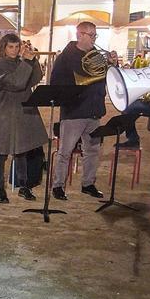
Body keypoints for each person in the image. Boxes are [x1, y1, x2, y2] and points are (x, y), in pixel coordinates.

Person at [49, 21, 106, 200]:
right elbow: (55, 83)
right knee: (65, 152)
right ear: (80, 35)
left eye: (95, 35)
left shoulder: (95, 55)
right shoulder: (66, 56)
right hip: (74, 111)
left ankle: (88, 183)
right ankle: (58, 186)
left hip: (94, 110)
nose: (94, 39)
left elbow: (103, 79)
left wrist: (110, 64)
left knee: (92, 151)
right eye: (92, 35)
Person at [0, 33, 48, 202]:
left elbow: (35, 78)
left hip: (23, 111)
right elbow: (17, 83)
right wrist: (26, 62)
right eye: (11, 47)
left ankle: (23, 186)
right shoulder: (0, 66)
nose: (14, 50)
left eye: (17, 47)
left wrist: (32, 60)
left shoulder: (20, 62)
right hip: (6, 113)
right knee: (1, 153)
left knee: (22, 151)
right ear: (4, 48)